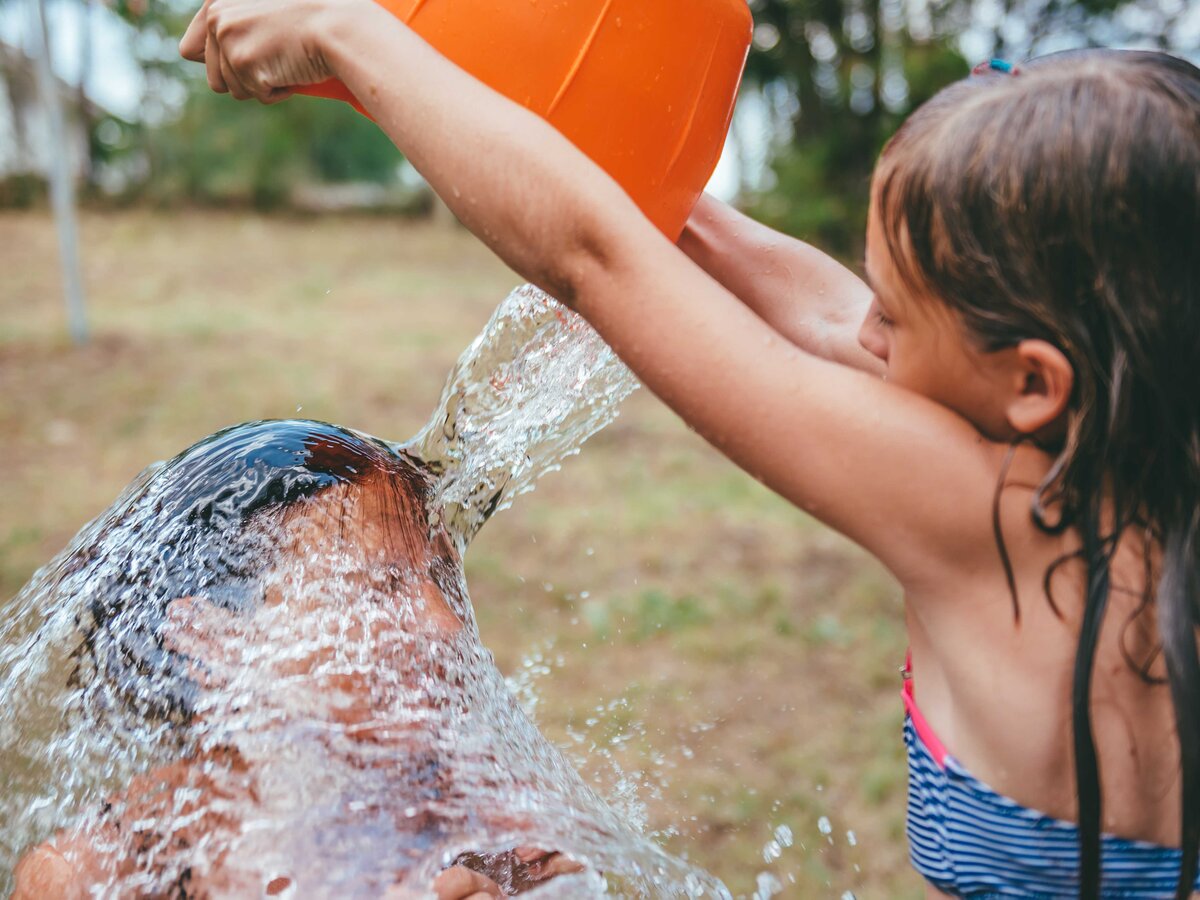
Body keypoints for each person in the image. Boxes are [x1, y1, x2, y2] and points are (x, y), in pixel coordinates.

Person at [176, 14, 1200, 898]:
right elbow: (738, 264)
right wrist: (440, 83)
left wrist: (352, 33)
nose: (864, 334)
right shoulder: (1145, 470)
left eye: (897, 312)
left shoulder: (998, 527)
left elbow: (597, 253)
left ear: (1034, 383)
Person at [8, 420, 582, 898]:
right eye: (372, 589)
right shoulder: (101, 873)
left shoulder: (483, 827)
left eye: (437, 577)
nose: (445, 622)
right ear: (208, 640)